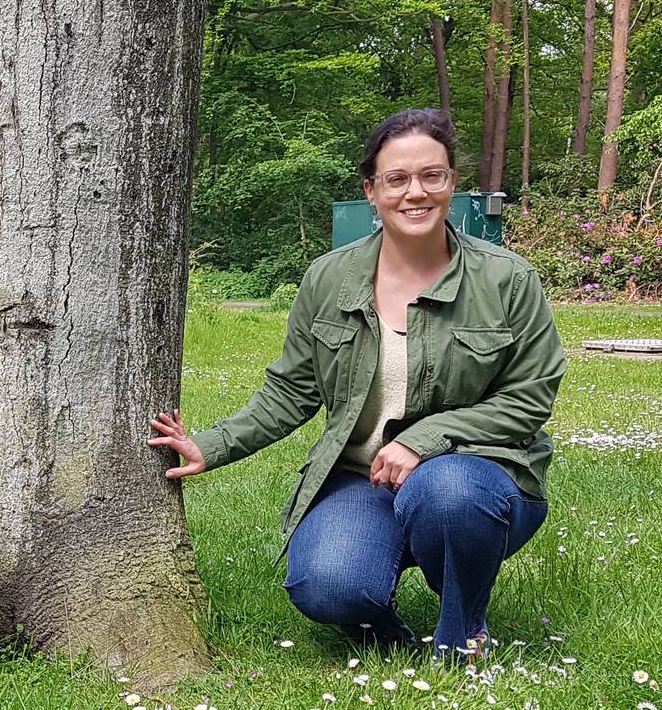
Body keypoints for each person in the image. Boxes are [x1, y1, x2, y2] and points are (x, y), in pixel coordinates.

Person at [149, 108, 565, 657]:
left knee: (448, 494)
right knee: (329, 586)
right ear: (371, 190)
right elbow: (292, 390)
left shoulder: (507, 278)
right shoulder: (328, 277)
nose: (415, 192)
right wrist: (210, 444)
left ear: (451, 183)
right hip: (361, 479)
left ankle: (461, 632)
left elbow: (530, 396)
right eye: (397, 179)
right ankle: (384, 631)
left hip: (477, 476)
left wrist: (425, 439)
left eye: (431, 175)